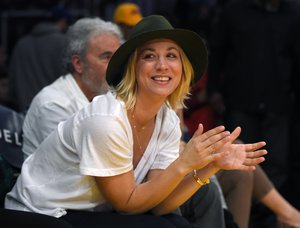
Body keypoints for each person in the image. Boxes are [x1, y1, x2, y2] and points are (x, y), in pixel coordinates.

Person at [5, 15, 267, 227]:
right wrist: (184, 163)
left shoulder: (165, 120)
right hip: (44, 212)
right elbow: (126, 203)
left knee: (174, 222)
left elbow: (160, 204)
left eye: (172, 55)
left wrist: (210, 167)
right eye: (150, 56)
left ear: (183, 69)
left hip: (90, 209)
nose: (162, 65)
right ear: (133, 67)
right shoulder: (106, 119)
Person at [207, 0, 300, 226]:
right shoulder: (233, 11)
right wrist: (213, 91)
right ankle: (250, 214)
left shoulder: (293, 13)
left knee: (277, 162)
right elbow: (218, 52)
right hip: (240, 99)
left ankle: (271, 217)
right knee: (242, 158)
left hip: (279, 102)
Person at [22, 17, 122, 160]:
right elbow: (85, 165)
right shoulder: (54, 104)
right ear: (78, 63)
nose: (116, 65)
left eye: (118, 57)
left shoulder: (109, 94)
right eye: (107, 57)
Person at [8, 6, 70, 112]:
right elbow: (70, 80)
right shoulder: (64, 42)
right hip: (55, 112)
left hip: (24, 112)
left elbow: (12, 80)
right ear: (63, 21)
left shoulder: (22, 43)